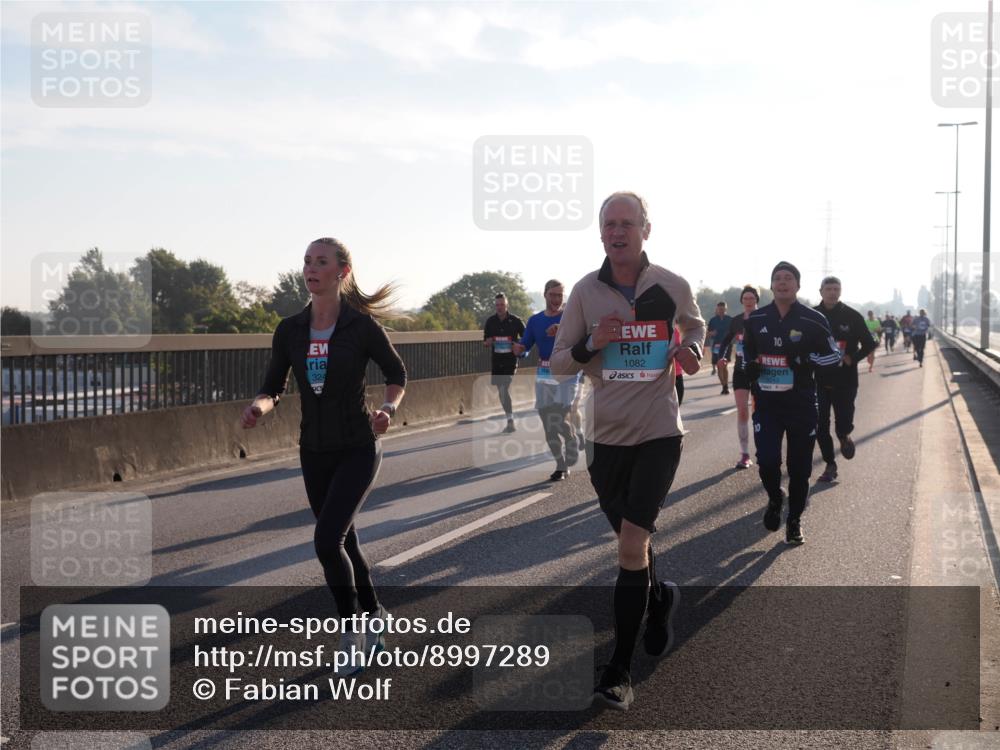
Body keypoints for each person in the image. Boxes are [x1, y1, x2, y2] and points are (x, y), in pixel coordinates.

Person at [551, 191, 705, 711]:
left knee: (630, 545)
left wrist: (691, 348)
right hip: (604, 440)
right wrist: (594, 342)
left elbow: (696, 325)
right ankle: (659, 599)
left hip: (660, 432)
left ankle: (618, 669)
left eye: (627, 223)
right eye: (609, 225)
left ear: (645, 228)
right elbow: (558, 365)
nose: (618, 232)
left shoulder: (672, 285)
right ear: (601, 234)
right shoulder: (585, 292)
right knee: (631, 547)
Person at [242, 236, 407, 676]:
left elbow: (397, 374)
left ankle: (350, 633)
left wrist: (388, 409)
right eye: (306, 262)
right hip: (313, 450)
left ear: (342, 273)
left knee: (326, 540)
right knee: (345, 539)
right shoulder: (290, 329)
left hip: (358, 446)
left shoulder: (361, 327)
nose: (311, 268)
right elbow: (273, 386)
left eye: (321, 262)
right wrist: (260, 407)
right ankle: (375, 615)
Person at [742, 261, 841, 545]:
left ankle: (794, 519)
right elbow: (747, 352)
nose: (782, 282)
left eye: (788, 278)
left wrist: (805, 361)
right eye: (777, 278)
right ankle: (775, 498)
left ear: (798, 285)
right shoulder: (757, 319)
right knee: (768, 461)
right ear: (771, 285)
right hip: (767, 404)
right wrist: (749, 366)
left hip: (801, 403)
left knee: (800, 469)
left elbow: (832, 356)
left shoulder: (812, 319)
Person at [514, 280, 582, 481]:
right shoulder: (535, 321)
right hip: (544, 374)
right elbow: (526, 346)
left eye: (560, 295)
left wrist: (561, 328)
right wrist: (520, 350)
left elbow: (581, 337)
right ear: (544, 295)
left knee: (559, 418)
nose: (556, 300)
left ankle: (570, 440)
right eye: (553, 295)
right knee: (547, 423)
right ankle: (561, 466)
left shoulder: (569, 317)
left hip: (566, 373)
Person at [812, 276, 876, 483]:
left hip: (845, 380)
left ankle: (844, 436)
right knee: (820, 426)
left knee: (843, 423)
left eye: (836, 289)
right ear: (820, 291)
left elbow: (869, 343)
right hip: (819, 379)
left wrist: (853, 358)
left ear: (840, 291)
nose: (832, 292)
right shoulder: (812, 316)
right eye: (828, 288)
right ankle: (830, 465)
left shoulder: (852, 316)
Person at [716, 285, 760, 469]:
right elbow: (726, 341)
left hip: (761, 371)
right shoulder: (736, 321)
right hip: (741, 370)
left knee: (759, 414)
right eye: (745, 298)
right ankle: (744, 454)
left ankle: (763, 449)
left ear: (756, 300)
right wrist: (723, 357)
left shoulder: (765, 318)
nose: (748, 301)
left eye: (752, 298)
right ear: (742, 300)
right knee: (742, 411)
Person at [483, 292, 526, 433]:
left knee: (503, 388)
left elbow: (527, 337)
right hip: (496, 361)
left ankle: (510, 421)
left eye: (502, 305)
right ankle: (510, 420)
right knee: (501, 392)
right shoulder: (490, 322)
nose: (499, 307)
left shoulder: (515, 321)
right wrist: (488, 342)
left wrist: (518, 345)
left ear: (507, 305)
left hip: (510, 361)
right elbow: (485, 341)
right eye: (497, 305)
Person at [706, 301, 733, 393]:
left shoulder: (730, 319)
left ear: (726, 309)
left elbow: (735, 332)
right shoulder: (713, 320)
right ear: (717, 309)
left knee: (724, 366)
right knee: (719, 366)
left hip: (727, 345)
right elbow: (707, 333)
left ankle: (725, 386)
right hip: (716, 345)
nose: (721, 310)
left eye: (723, 309)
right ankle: (724, 386)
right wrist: (712, 333)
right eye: (719, 309)